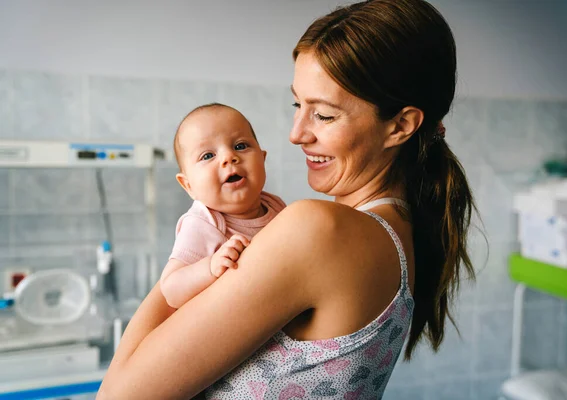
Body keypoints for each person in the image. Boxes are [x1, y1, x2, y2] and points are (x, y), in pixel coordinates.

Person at [97, 0, 476, 398]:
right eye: (298, 105)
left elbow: (118, 395)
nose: (296, 133)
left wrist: (195, 238)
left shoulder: (318, 231)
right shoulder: (402, 231)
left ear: (400, 125)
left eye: (324, 115)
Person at [159, 103, 286, 309]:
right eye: (208, 156)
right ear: (188, 185)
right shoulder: (204, 222)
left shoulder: (275, 206)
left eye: (240, 146)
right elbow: (171, 290)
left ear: (262, 160)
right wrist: (210, 267)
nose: (229, 157)